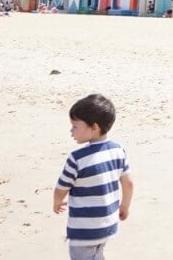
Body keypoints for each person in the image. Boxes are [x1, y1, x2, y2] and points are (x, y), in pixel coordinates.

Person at [53, 94, 134, 260]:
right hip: (107, 224)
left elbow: (61, 188)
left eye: (75, 126)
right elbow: (128, 184)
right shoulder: (118, 150)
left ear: (94, 127)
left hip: (84, 230)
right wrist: (124, 206)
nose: (71, 131)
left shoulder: (77, 158)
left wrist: (57, 202)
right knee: (97, 254)